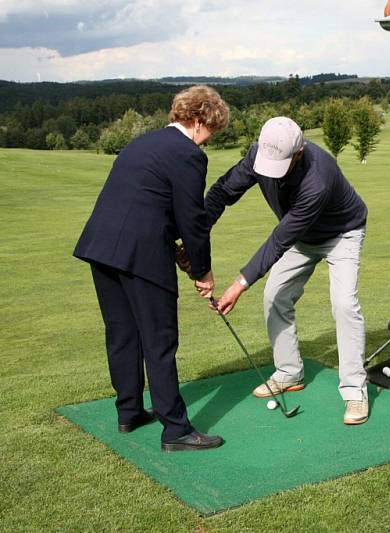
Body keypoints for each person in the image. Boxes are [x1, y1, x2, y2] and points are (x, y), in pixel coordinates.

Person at [74, 85, 230, 452]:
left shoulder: (142, 143)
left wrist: (177, 248)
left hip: (102, 247)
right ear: (197, 120)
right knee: (159, 341)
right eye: (210, 132)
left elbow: (149, 203)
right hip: (141, 255)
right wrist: (202, 271)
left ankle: (129, 411)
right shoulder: (189, 155)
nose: (207, 141)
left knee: (122, 334)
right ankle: (175, 430)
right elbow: (191, 220)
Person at [203, 117, 370, 425]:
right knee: (274, 296)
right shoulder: (258, 154)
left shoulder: (319, 177)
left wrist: (239, 285)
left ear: (299, 153)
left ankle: (355, 391)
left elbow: (280, 238)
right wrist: (197, 233)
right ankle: (289, 372)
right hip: (301, 236)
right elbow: (222, 192)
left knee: (344, 304)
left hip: (342, 234)